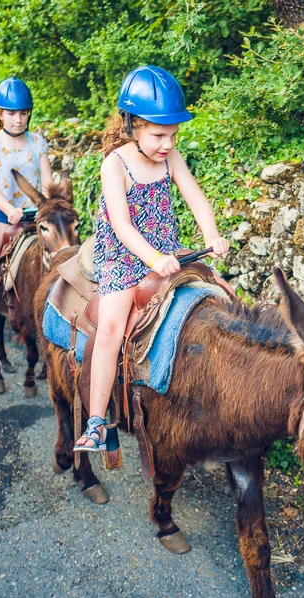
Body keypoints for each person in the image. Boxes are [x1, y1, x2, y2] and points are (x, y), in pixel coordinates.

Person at [73, 65, 230, 451]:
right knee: (111, 328)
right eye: (159, 135)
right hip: (124, 257)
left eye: (173, 135)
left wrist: (211, 234)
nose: (168, 144)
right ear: (132, 126)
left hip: (166, 251)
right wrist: (153, 258)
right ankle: (96, 422)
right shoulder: (115, 164)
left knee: (222, 292)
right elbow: (123, 226)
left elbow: (196, 198)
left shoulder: (170, 158)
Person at [0, 77, 53, 350]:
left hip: (34, 213)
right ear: (0, 114)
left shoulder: (38, 142)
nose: (18, 119)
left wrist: (48, 206)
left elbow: (47, 183)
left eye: (23, 113)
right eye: (12, 113)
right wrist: (9, 210)